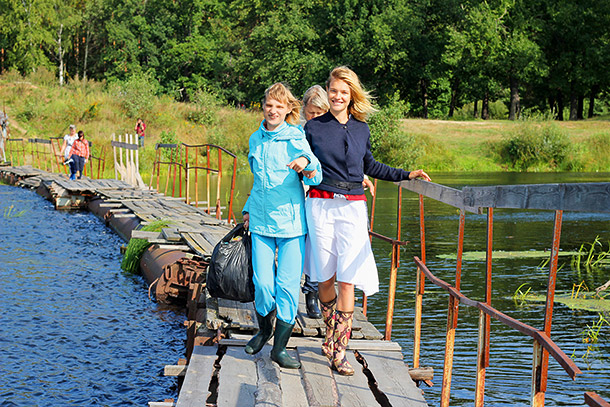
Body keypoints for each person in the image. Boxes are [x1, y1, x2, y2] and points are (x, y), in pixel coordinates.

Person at [304, 66, 431, 376]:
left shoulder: (361, 129)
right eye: (333, 90)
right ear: (328, 91)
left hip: (352, 209)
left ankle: (339, 348)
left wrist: (406, 174)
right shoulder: (313, 128)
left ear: (351, 96)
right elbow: (300, 161)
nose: (337, 96)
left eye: (343, 92)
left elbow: (370, 165)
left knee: (347, 277)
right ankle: (330, 330)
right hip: (320, 205)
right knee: (325, 278)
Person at [242, 82, 322, 369]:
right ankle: (264, 330)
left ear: (289, 109)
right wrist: (247, 209)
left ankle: (280, 348)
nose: (273, 110)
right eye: (268, 105)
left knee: (286, 287)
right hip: (262, 224)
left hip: (290, 226)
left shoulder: (296, 137)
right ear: (263, 108)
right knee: (262, 284)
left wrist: (305, 163)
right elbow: (257, 182)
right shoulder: (255, 139)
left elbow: (315, 174)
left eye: (279, 106)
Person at [300, 84, 375, 319]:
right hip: (314, 197)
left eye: (317, 112)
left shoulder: (358, 128)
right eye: (310, 113)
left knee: (346, 277)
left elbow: (356, 160)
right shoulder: (308, 130)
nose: (314, 116)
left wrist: (358, 175)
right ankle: (313, 295)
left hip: (346, 201)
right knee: (320, 263)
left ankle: (337, 342)